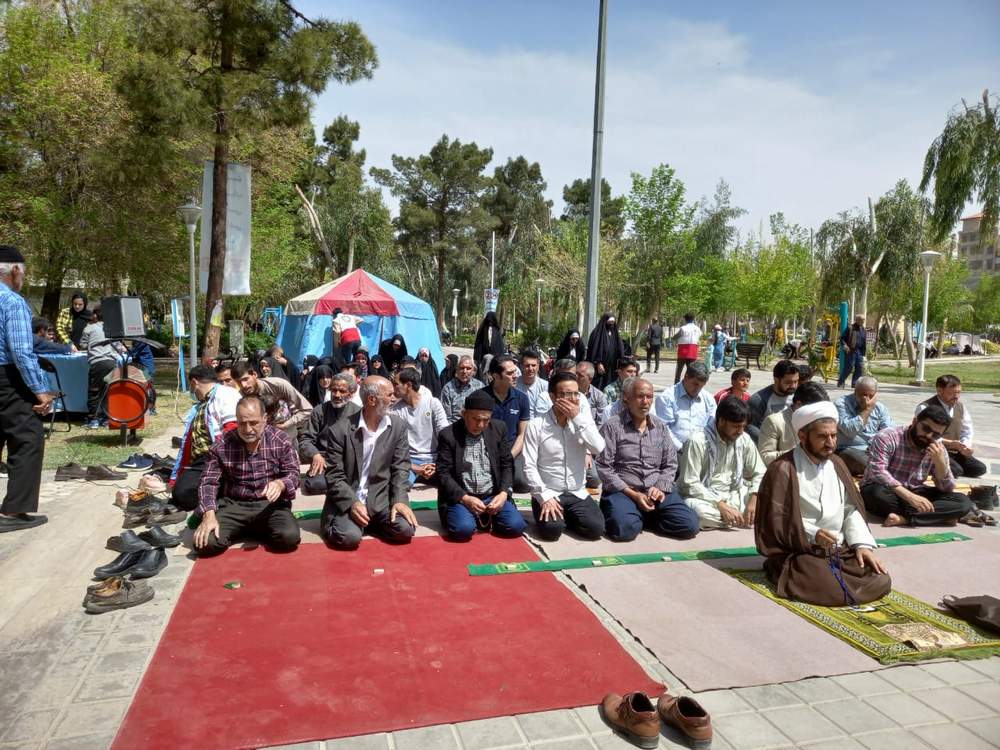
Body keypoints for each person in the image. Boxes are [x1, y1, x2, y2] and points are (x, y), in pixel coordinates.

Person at [755, 401, 891, 606]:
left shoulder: (837, 463)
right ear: (803, 436)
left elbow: (850, 509)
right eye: (822, 436)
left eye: (834, 436)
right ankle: (783, 570)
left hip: (838, 548)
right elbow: (775, 521)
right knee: (830, 589)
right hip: (801, 549)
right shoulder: (783, 469)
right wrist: (813, 534)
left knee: (880, 577)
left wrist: (861, 545)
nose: (830, 443)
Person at [192, 396, 301, 556]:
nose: (248, 429)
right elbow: (208, 482)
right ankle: (248, 529)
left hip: (270, 505)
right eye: (242, 423)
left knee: (288, 538)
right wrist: (208, 515)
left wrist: (280, 484)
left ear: (265, 419)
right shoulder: (222, 445)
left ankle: (251, 529)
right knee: (205, 543)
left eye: (254, 423)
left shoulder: (280, 440)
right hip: (235, 505)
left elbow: (294, 474)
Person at [319, 376, 418, 550]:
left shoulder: (397, 426)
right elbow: (334, 475)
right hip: (349, 499)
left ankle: (370, 522)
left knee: (405, 530)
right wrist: (353, 503)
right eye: (389, 395)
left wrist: (399, 500)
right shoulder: (340, 430)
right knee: (348, 538)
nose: (394, 398)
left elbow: (401, 467)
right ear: (372, 400)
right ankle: (351, 523)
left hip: (381, 500)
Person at [596, 378, 700, 541]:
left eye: (649, 397)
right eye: (640, 396)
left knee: (690, 525)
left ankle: (642, 517)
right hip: (624, 491)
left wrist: (659, 487)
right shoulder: (613, 426)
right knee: (624, 530)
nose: (645, 402)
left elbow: (670, 463)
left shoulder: (660, 427)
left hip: (655, 491)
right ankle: (632, 514)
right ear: (627, 398)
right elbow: (604, 466)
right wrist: (633, 495)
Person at [0, 246, 55, 533]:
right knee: (28, 438)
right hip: (7, 377)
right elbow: (21, 351)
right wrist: (40, 390)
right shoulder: (12, 301)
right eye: (24, 272)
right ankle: (13, 511)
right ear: (15, 270)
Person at [523, 372, 606, 541]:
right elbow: (529, 466)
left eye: (576, 394)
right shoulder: (536, 425)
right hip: (549, 491)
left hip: (577, 492)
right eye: (567, 394)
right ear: (552, 397)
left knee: (596, 529)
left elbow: (598, 448)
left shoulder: (583, 422)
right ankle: (553, 516)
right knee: (552, 531)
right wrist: (544, 497)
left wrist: (577, 418)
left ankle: (567, 516)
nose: (573, 399)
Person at [860, 404, 974, 527]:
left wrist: (940, 463)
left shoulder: (937, 448)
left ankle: (905, 519)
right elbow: (878, 471)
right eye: (926, 429)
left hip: (916, 490)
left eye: (936, 434)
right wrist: (911, 498)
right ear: (915, 421)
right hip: (888, 490)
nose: (929, 436)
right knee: (876, 494)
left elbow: (947, 489)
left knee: (963, 502)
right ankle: (938, 517)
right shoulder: (887, 437)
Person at [435, 389, 526, 541]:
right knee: (462, 530)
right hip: (463, 497)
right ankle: (473, 517)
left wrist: (503, 493)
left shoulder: (499, 429)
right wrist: (465, 498)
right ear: (464, 414)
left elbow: (507, 464)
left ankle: (485, 516)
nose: (481, 424)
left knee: (516, 526)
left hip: (492, 495)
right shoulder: (448, 435)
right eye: (476, 419)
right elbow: (443, 474)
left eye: (486, 420)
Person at [679, 396, 766, 529]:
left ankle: (735, 518)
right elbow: (689, 484)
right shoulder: (698, 441)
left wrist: (754, 499)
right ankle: (738, 519)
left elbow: (760, 472)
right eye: (736, 426)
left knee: (770, 503)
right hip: (705, 498)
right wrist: (720, 504)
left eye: (743, 426)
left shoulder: (744, 439)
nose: (740, 431)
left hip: (734, 494)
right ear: (721, 421)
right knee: (699, 513)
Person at [170, 365, 241, 511]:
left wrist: (217, 462)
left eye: (190, 386)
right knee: (179, 489)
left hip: (218, 457)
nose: (191, 391)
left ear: (194, 382)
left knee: (183, 494)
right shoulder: (204, 402)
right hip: (203, 460)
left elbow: (232, 431)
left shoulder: (225, 395)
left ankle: (227, 490)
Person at [915, 374, 986, 479]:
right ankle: (930, 466)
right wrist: (950, 443)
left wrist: (965, 446)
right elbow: (924, 434)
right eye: (952, 393)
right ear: (940, 390)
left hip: (954, 452)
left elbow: (967, 430)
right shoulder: (925, 407)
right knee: (956, 471)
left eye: (958, 392)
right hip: (934, 451)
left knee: (979, 469)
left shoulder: (960, 406)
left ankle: (948, 467)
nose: (956, 396)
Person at [480, 355, 532, 492]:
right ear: (496, 376)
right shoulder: (481, 397)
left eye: (515, 371)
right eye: (510, 373)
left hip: (512, 450)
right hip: (486, 450)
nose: (515, 376)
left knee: (522, 483)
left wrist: (509, 457)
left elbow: (522, 435)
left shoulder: (522, 399)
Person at [390, 368, 448, 485]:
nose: (393, 388)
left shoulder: (433, 403)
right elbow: (394, 445)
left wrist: (439, 463)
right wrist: (415, 468)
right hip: (409, 460)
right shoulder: (395, 410)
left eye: (396, 384)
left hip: (435, 458)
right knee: (399, 484)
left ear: (408, 385)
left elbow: (444, 434)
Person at [232, 360, 312, 443]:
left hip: (289, 439)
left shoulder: (278, 385)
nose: (244, 385)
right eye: (239, 382)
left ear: (254, 375)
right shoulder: (240, 396)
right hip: (260, 444)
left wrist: (286, 425)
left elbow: (307, 410)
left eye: (245, 379)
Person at [298, 373, 361, 476]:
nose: (336, 395)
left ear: (351, 393)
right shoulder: (319, 411)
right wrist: (315, 455)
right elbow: (305, 440)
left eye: (342, 391)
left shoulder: (358, 413)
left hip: (349, 463)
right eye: (334, 390)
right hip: (324, 461)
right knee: (315, 483)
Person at [758, 381, 829, 466]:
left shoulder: (820, 422)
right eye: (815, 411)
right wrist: (798, 453)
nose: (819, 415)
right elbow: (765, 457)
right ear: (799, 405)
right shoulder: (774, 422)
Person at [653, 361, 717, 453]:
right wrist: (682, 449)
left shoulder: (708, 399)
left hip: (701, 450)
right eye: (695, 384)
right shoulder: (667, 397)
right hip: (674, 452)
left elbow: (712, 426)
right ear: (686, 377)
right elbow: (664, 429)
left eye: (701, 386)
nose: (698, 389)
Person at [835, 376, 893, 475]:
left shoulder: (880, 408)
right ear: (855, 391)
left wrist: (876, 444)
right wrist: (867, 410)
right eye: (863, 395)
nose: (867, 399)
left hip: (873, 448)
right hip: (850, 448)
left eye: (871, 396)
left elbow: (889, 432)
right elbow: (850, 431)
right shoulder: (842, 404)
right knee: (871, 465)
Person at [80, 305, 126, 429]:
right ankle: (106, 418)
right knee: (107, 391)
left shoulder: (89, 328)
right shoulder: (112, 329)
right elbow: (119, 347)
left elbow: (83, 345)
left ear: (95, 315)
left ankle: (93, 420)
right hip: (112, 363)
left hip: (98, 363)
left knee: (94, 391)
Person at [747, 359, 800, 443]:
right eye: (788, 382)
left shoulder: (798, 395)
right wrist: (771, 443)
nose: (793, 386)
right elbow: (750, 426)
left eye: (796, 381)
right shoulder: (759, 400)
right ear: (776, 380)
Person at [585, 312, 625, 390]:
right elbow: (594, 349)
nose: (611, 324)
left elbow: (619, 347)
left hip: (612, 366)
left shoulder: (614, 333)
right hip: (600, 367)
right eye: (609, 322)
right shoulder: (597, 333)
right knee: (600, 385)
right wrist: (598, 363)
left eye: (613, 322)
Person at [440, 355, 485, 423]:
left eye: (468, 368)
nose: (464, 371)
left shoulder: (480, 387)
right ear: (457, 370)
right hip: (454, 426)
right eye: (462, 368)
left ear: (473, 371)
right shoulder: (448, 389)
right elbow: (446, 417)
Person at [516, 349, 552, 418]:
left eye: (533, 365)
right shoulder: (514, 385)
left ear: (538, 366)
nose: (530, 369)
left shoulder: (545, 386)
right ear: (521, 366)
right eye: (527, 366)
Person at [837, 315, 868, 388]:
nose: (863, 322)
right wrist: (844, 345)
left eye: (863, 320)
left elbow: (863, 341)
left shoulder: (863, 330)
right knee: (849, 367)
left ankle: (854, 384)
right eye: (861, 320)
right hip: (850, 351)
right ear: (857, 320)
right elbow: (842, 338)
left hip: (859, 352)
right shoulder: (850, 328)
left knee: (859, 368)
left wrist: (863, 353)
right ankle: (841, 382)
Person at [576, 360, 609, 429]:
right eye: (575, 374)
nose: (576, 377)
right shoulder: (567, 392)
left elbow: (601, 423)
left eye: (580, 376)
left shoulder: (599, 397)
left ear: (590, 379)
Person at [672, 312, 702, 383]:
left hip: (683, 351)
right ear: (693, 319)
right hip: (693, 351)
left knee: (679, 369)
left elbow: (676, 337)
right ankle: (689, 383)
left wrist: (673, 337)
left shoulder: (683, 328)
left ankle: (676, 383)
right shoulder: (697, 329)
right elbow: (700, 335)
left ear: (685, 319)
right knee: (691, 370)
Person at [473, 311, 505, 378]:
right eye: (489, 320)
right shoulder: (483, 329)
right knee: (483, 372)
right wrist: (477, 357)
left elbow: (500, 344)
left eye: (491, 320)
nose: (490, 322)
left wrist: (501, 356)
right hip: (484, 356)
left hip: (495, 355)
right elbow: (478, 343)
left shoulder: (496, 330)